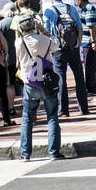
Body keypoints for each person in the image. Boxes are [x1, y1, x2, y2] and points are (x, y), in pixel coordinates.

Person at [15, 11, 61, 162]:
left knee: (27, 118)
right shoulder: (45, 40)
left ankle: (25, 153)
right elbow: (57, 45)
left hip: (30, 84)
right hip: (47, 82)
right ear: (35, 25)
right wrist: (44, 30)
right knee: (52, 116)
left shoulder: (19, 42)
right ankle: (53, 152)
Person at [43, 0, 89, 117]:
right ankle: (84, 108)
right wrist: (78, 44)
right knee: (79, 77)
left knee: (61, 78)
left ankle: (63, 110)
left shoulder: (49, 10)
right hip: (73, 47)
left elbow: (46, 32)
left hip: (58, 49)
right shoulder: (71, 8)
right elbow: (79, 27)